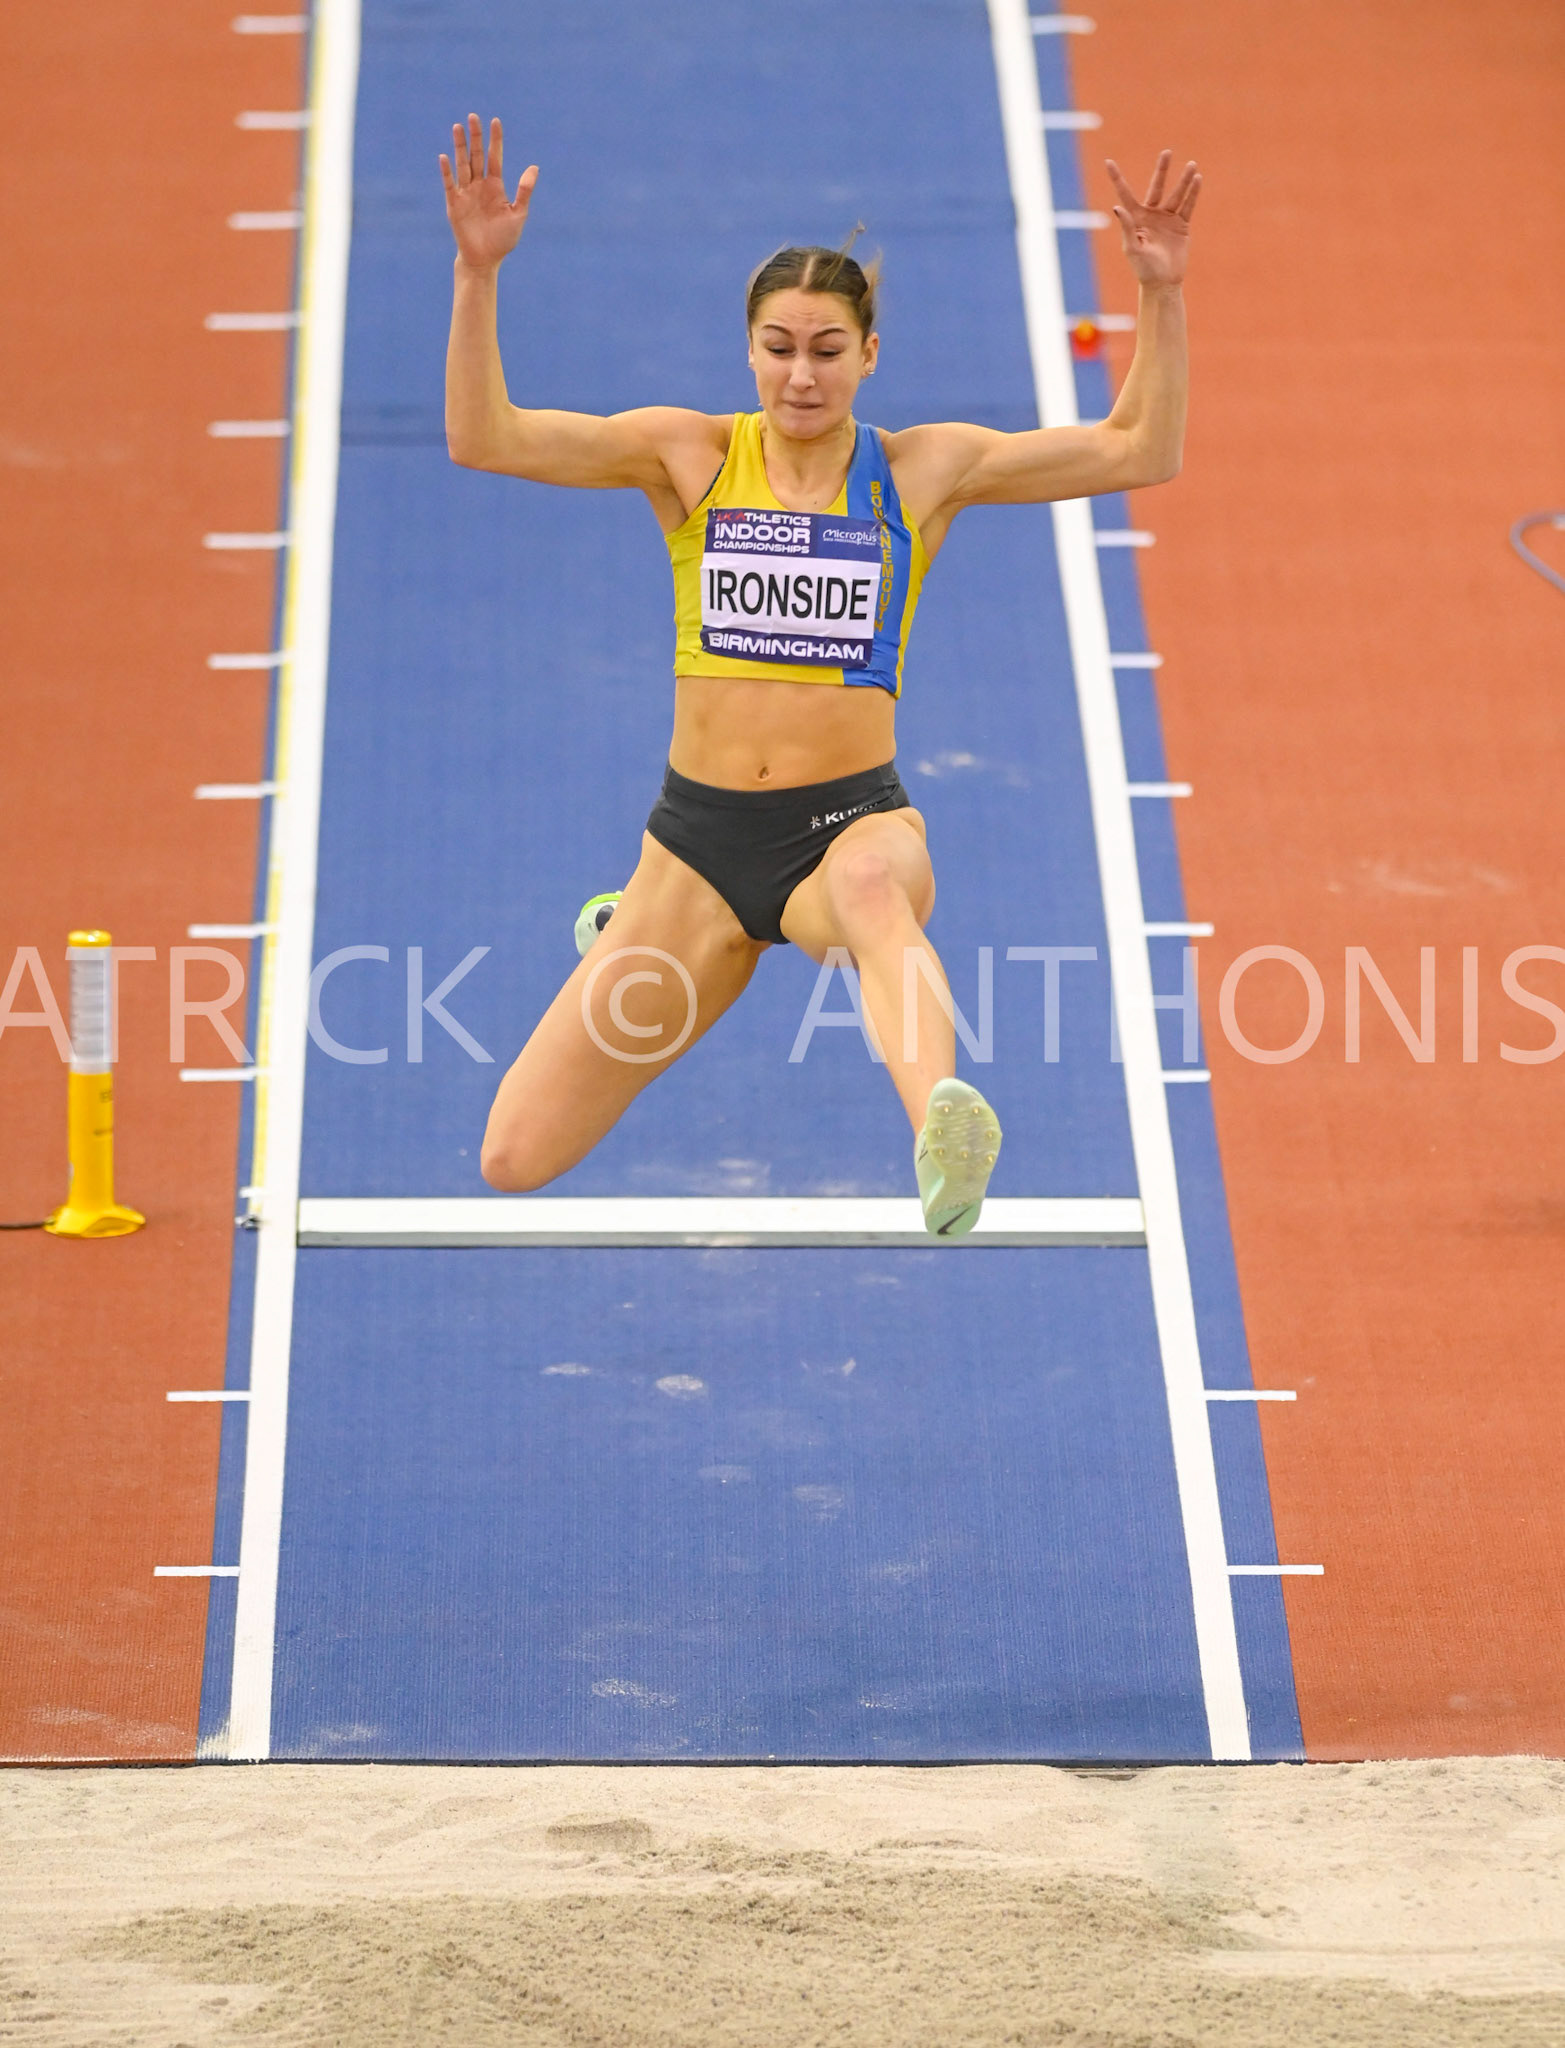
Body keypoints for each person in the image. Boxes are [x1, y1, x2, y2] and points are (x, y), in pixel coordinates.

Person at [440, 114, 1199, 1237]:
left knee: (868, 895)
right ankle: (624, 921)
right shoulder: (687, 453)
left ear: (868, 355)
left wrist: (1159, 294)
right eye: (780, 347)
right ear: (747, 350)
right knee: (513, 1153)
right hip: (693, 848)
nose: (802, 374)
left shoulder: (919, 472)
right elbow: (484, 436)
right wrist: (475, 270)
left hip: (850, 823)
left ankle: (942, 1127)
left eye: (827, 349)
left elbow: (1140, 449)